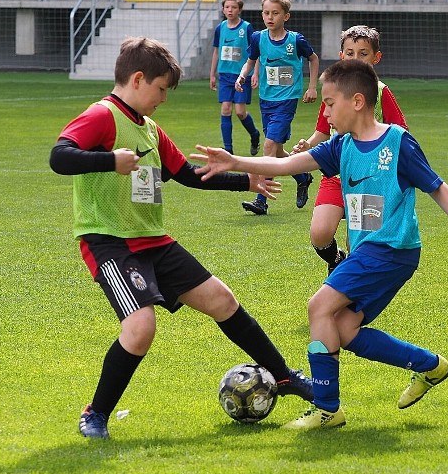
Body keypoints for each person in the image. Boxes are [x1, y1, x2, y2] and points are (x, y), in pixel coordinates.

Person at [192, 59, 448, 430]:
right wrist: (234, 160)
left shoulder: (397, 143)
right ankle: (430, 365)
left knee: (319, 306)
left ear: (356, 101)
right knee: (344, 330)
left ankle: (327, 409)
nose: (325, 111)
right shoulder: (341, 147)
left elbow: (436, 185)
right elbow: (289, 165)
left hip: (391, 249)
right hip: (370, 252)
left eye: (330, 103)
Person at [49, 37, 313, 440]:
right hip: (112, 242)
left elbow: (187, 174)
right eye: (161, 90)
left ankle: (283, 377)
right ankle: (96, 414)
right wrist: (110, 160)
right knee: (140, 329)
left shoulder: (149, 128)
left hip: (153, 241)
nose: (163, 100)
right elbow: (59, 156)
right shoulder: (102, 116)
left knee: (222, 300)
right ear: (138, 80)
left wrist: (246, 179)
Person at [293, 25, 408, 275]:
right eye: (350, 53)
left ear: (376, 58)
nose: (356, 59)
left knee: (357, 242)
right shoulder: (333, 92)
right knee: (319, 233)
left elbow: (400, 131)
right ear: (341, 56)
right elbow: (323, 131)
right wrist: (308, 145)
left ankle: (351, 289)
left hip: (370, 179)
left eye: (363, 53)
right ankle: (336, 259)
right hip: (335, 175)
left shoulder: (380, 91)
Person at [233, 0, 319, 216]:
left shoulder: (295, 40)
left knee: (269, 147)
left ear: (285, 16)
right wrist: (242, 76)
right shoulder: (258, 38)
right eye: (266, 13)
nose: (270, 17)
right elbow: (250, 62)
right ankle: (302, 177)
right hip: (266, 100)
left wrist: (311, 87)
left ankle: (261, 200)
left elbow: (313, 58)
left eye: (275, 13)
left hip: (287, 100)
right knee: (277, 150)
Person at [209, 0, 261, 156]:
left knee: (240, 111)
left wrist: (255, 73)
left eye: (233, 7)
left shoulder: (246, 28)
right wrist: (212, 74)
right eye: (227, 7)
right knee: (225, 109)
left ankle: (254, 135)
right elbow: (216, 51)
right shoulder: (220, 28)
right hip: (225, 75)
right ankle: (228, 149)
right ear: (223, 9)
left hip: (241, 76)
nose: (230, 10)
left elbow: (255, 51)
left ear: (239, 10)